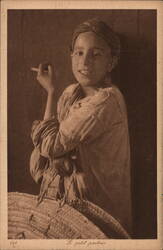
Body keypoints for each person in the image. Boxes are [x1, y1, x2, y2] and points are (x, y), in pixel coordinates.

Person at [30, 18, 132, 234]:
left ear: (111, 62)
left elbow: (50, 145)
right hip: (70, 205)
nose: (84, 62)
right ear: (71, 56)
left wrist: (49, 93)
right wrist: (58, 155)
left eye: (96, 55)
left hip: (98, 212)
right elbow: (51, 152)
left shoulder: (105, 101)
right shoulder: (70, 93)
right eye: (78, 52)